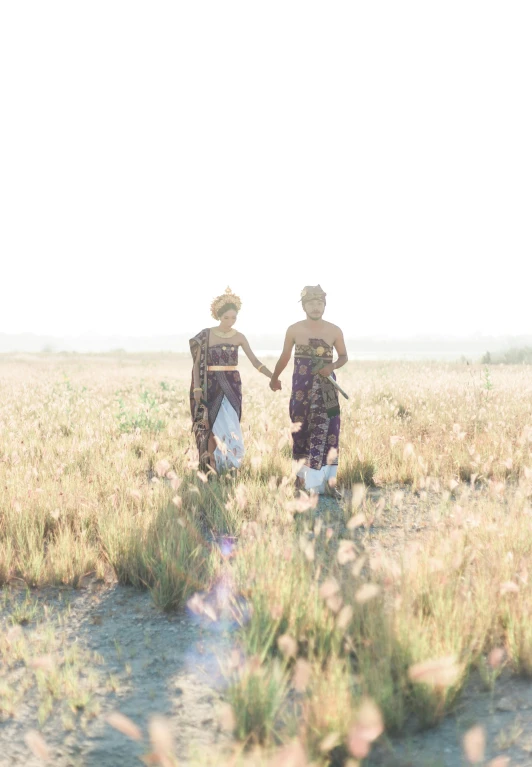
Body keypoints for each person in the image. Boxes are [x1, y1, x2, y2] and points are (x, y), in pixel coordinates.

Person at [269, 285, 348, 495]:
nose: (316, 307)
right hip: (301, 388)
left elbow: (343, 356)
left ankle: (328, 484)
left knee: (329, 431)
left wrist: (331, 366)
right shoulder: (294, 329)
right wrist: (274, 377)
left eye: (320, 303)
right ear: (304, 306)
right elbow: (285, 357)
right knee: (301, 430)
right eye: (311, 303)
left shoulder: (334, 330)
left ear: (325, 305)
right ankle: (301, 480)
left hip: (327, 388)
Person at [190, 287, 274, 473]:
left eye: (233, 318)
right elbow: (196, 364)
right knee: (210, 424)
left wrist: (272, 376)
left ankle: (230, 465)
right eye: (226, 317)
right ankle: (211, 465)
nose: (230, 321)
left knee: (231, 424)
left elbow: (254, 361)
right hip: (210, 384)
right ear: (218, 316)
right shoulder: (206, 335)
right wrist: (197, 388)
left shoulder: (239, 336)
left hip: (232, 384)